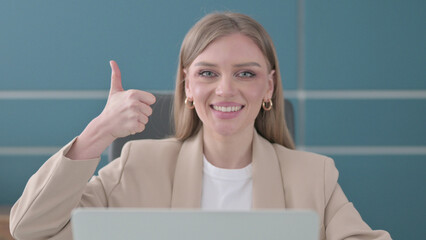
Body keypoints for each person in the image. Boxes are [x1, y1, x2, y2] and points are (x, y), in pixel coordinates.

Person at [10, 12, 391, 240]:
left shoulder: (313, 176)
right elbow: (30, 228)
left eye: (245, 73)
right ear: (187, 85)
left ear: (269, 86)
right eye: (208, 73)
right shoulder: (137, 165)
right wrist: (97, 133)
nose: (226, 90)